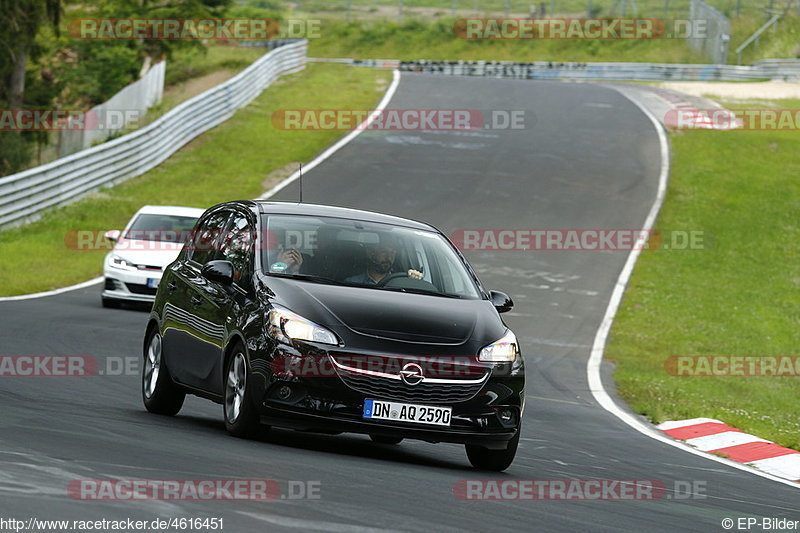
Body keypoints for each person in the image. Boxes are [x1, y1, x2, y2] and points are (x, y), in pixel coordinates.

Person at [344, 234, 422, 285]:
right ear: (370, 253)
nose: (389, 257)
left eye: (392, 253)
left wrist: (415, 280)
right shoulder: (353, 283)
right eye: (384, 252)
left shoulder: (401, 282)